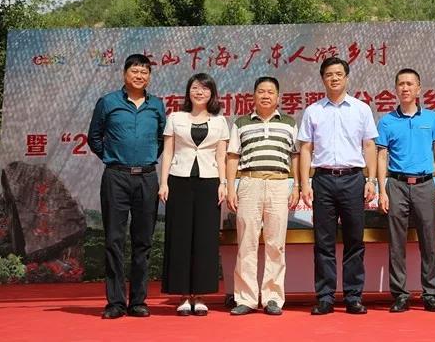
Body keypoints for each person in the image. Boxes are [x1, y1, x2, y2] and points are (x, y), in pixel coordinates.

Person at [88, 53, 166, 320]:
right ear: (124, 73)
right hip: (116, 177)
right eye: (135, 70)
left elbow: (161, 139)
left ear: (149, 77)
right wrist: (112, 158)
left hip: (147, 177)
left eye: (144, 71)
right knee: (114, 239)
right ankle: (115, 302)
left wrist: (147, 158)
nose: (139, 75)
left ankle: (138, 301)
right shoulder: (108, 102)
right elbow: (94, 137)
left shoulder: (157, 105)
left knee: (143, 241)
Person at [298, 57, 378, 315]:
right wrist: (305, 183)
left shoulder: (361, 109)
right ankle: (325, 297)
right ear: (322, 79)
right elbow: (306, 149)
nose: (334, 78)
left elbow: (369, 145)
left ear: (346, 77)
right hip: (322, 180)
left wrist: (371, 179)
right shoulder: (313, 111)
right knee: (324, 241)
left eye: (338, 74)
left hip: (353, 179)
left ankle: (354, 296)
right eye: (329, 74)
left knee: (355, 239)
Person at [226, 76, 300, 316]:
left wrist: (297, 186)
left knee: (275, 243)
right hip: (249, 183)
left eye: (270, 92)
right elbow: (232, 156)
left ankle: (272, 297)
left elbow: (295, 156)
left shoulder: (289, 123)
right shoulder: (241, 123)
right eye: (261, 91)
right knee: (246, 242)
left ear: (278, 97)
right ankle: (245, 298)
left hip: (279, 184)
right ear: (254, 96)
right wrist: (230, 187)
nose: (266, 95)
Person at [158, 73, 229, 316]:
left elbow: (221, 155)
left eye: (205, 89)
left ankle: (200, 295)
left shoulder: (220, 121)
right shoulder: (175, 118)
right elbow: (168, 152)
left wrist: (223, 183)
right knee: (180, 236)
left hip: (210, 182)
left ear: (212, 94)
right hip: (179, 180)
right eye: (195, 88)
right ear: (189, 91)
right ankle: (182, 294)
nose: (200, 92)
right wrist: (163, 183)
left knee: (205, 238)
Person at [376, 68, 435, 313]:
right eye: (401, 84)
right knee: (397, 243)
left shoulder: (431, 118)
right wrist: (382, 190)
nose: (405, 88)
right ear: (395, 89)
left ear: (418, 88)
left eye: (410, 84)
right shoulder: (386, 121)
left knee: (429, 241)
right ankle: (400, 294)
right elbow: (381, 156)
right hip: (396, 185)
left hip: (425, 184)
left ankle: (431, 294)